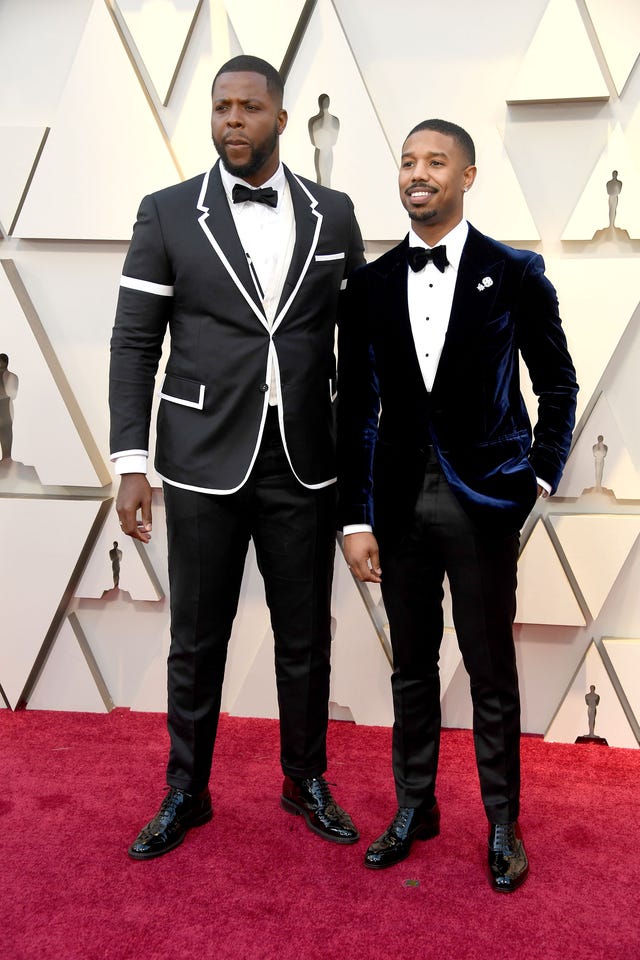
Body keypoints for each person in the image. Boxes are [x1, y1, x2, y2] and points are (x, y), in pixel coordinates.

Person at [109, 55, 365, 860]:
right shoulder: (167, 213)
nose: (232, 121)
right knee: (196, 635)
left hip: (304, 460)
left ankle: (304, 778)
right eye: (221, 107)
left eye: (249, 108)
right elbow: (133, 343)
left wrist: (364, 471)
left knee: (306, 636)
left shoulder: (335, 213)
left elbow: (358, 353)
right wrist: (129, 461)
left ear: (281, 120)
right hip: (197, 459)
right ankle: (187, 789)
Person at [337, 119, 578, 892]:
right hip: (400, 506)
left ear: (467, 176)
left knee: (490, 672)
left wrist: (538, 475)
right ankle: (416, 808)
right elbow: (354, 412)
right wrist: (355, 517)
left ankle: (503, 821)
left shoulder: (516, 272)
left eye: (435, 162)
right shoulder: (368, 286)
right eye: (408, 162)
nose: (418, 173)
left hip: (484, 504)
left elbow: (559, 383)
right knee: (411, 668)